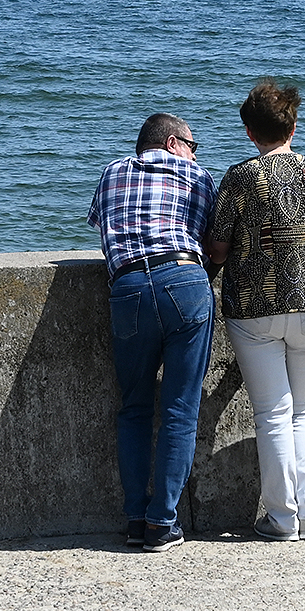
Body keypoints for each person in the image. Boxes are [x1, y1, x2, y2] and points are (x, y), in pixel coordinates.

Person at [205, 79, 305, 541]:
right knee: (302, 410)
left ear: (249, 131)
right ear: (294, 123)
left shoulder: (239, 177)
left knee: (272, 412)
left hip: (254, 306)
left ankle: (281, 518)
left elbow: (221, 249)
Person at [86, 113, 218, 554]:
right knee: (180, 408)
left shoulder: (111, 172)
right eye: (193, 145)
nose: (196, 154)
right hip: (183, 279)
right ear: (173, 142)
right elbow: (207, 238)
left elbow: (101, 228)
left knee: (134, 407)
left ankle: (135, 521)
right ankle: (163, 523)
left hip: (127, 289)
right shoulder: (198, 177)